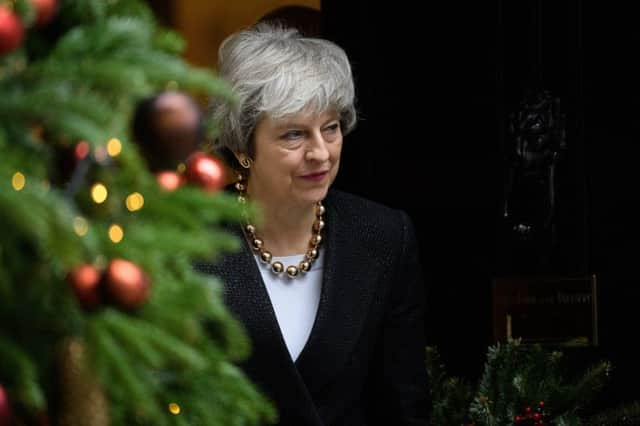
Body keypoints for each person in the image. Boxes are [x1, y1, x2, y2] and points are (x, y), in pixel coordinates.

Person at [195, 23, 430, 425]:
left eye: (331, 128)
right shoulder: (190, 238)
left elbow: (403, 407)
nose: (320, 153)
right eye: (293, 135)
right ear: (242, 146)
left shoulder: (383, 236)